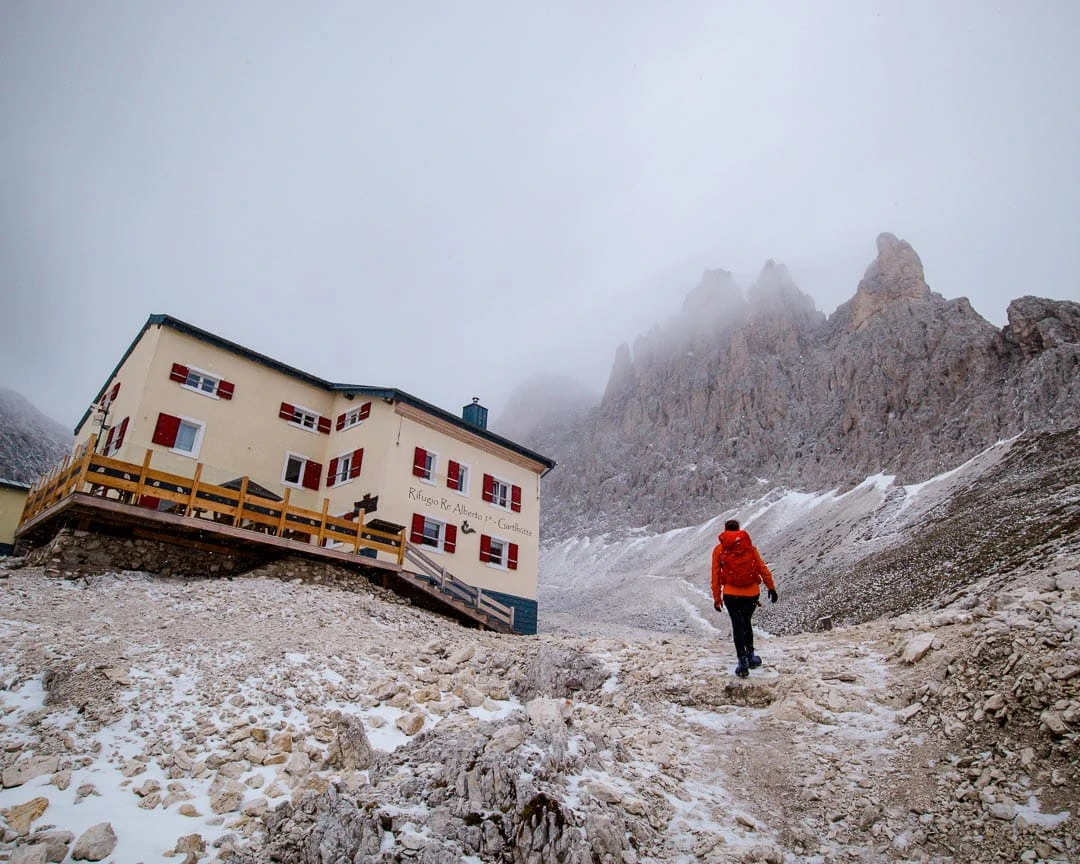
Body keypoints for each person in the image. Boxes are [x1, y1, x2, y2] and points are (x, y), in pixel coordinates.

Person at [711, 519, 779, 678]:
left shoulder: (719, 550)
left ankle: (742, 663)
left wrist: (717, 597)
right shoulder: (750, 548)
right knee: (747, 622)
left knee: (737, 625)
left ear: (725, 530)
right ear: (739, 529)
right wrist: (771, 587)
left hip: (730, 594)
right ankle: (751, 657)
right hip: (751, 593)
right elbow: (762, 568)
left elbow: (715, 575)